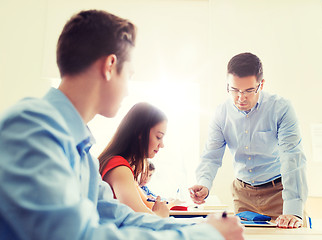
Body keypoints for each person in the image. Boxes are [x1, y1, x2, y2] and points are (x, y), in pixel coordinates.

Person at [0, 9, 244, 239]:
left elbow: (120, 218)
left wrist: (201, 227)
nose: (127, 90)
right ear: (109, 66)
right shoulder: (32, 127)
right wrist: (203, 235)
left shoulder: (81, 152)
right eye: (129, 76)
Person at [189, 52, 308, 229]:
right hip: (242, 194)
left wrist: (292, 208)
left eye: (248, 90)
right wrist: (204, 184)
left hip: (279, 192)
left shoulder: (280, 109)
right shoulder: (221, 114)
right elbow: (211, 156)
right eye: (234, 90)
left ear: (261, 85)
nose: (240, 97)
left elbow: (292, 157)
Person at [99, 102, 169, 217]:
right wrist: (160, 215)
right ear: (140, 133)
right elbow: (143, 221)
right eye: (158, 137)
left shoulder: (117, 164)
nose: (162, 145)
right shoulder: (119, 168)